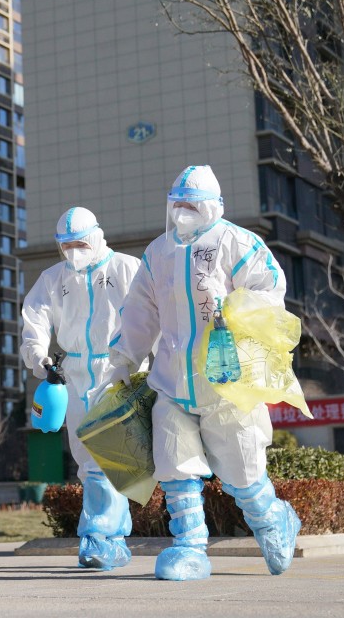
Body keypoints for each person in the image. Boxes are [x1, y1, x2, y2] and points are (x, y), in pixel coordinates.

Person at [108, 165, 301, 581]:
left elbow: (271, 291)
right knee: (176, 467)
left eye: (192, 205)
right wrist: (125, 356)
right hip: (172, 381)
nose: (183, 213)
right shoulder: (158, 252)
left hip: (226, 381)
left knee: (243, 472)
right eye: (177, 205)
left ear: (214, 206)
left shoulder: (238, 242)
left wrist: (235, 311)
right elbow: (141, 310)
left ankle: (273, 523)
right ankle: (190, 548)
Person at [21, 206, 142, 570]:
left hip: (118, 369)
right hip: (72, 373)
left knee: (107, 457)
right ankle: (116, 541)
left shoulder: (126, 268)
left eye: (79, 243)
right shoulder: (53, 278)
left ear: (96, 236)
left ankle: (96, 536)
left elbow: (149, 315)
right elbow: (35, 320)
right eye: (65, 244)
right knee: (90, 459)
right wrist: (41, 360)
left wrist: (141, 362)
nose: (73, 251)